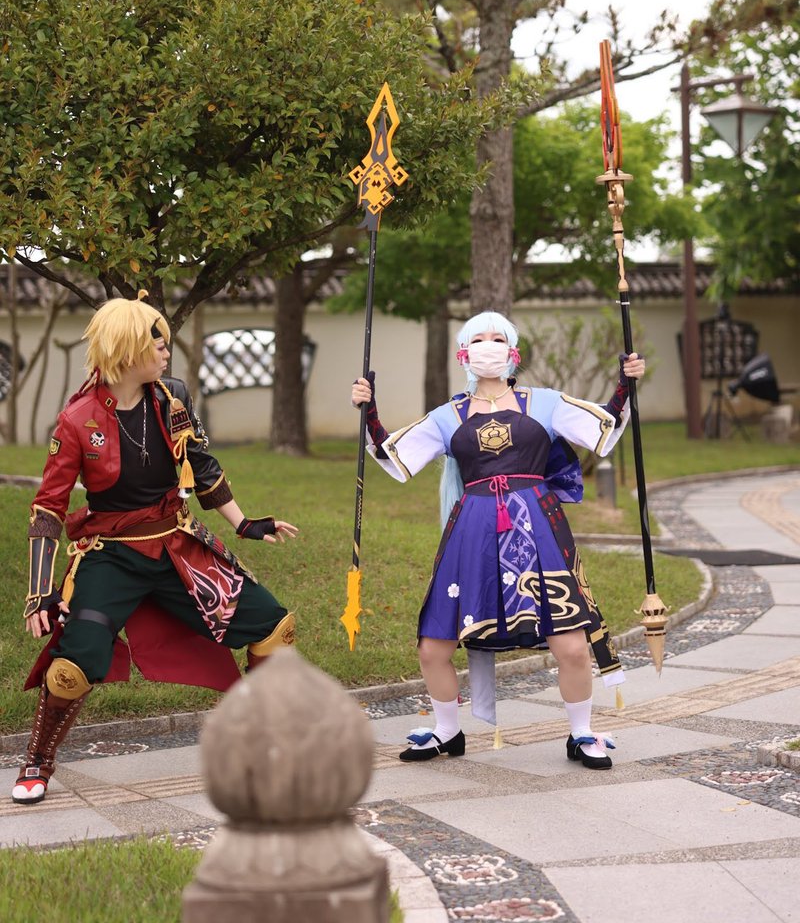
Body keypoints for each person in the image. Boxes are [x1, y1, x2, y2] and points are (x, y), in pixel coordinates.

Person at [14, 292, 298, 805]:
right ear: (127, 352)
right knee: (74, 664)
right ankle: (37, 759)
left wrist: (244, 524)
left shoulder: (172, 399)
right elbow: (48, 508)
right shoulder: (77, 420)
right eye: (158, 345)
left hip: (176, 546)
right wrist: (39, 592)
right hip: (110, 554)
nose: (167, 352)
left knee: (274, 627)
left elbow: (202, 466)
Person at [351, 310, 645, 770]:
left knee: (571, 644)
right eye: (478, 339)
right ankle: (447, 732)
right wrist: (368, 410)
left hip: (539, 527)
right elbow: (395, 453)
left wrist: (625, 383)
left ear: (513, 352)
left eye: (497, 338)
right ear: (463, 354)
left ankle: (581, 733)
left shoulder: (545, 403)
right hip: (471, 531)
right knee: (434, 646)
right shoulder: (447, 416)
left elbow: (602, 425)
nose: (488, 346)